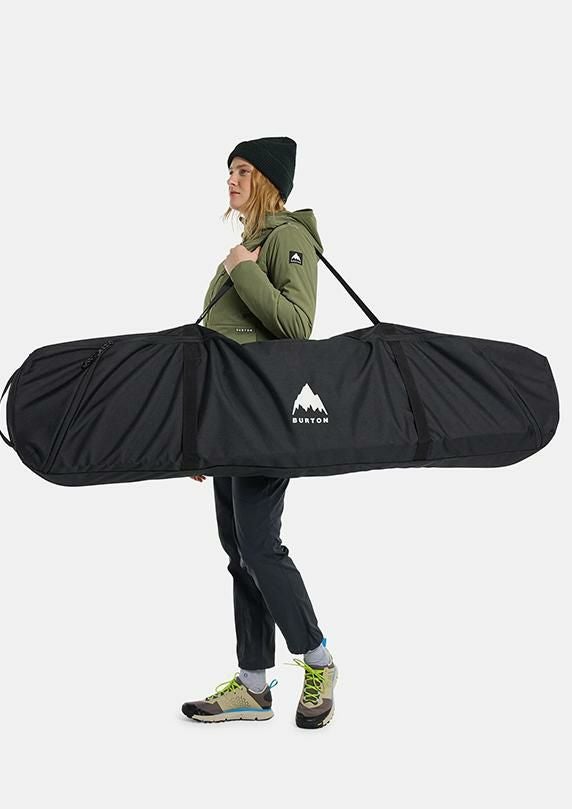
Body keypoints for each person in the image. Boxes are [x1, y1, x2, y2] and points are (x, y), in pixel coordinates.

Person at [181, 137, 338, 729]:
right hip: (229, 419)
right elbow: (219, 348)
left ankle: (318, 660)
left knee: (258, 546)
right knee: (238, 551)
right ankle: (252, 684)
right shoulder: (250, 243)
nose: (231, 180)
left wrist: (243, 270)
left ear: (268, 181)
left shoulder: (288, 239)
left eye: (243, 171)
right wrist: (200, 434)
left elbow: (297, 327)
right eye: (229, 170)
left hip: (265, 421)